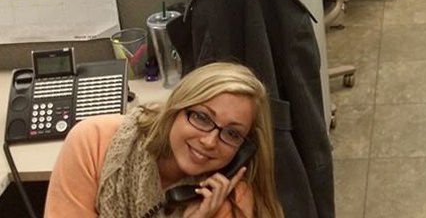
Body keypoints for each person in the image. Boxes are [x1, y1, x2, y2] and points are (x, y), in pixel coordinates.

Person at [46, 62, 283, 218]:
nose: (210, 141)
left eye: (232, 134)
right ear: (175, 109)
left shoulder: (227, 200)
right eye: (201, 117)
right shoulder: (93, 142)